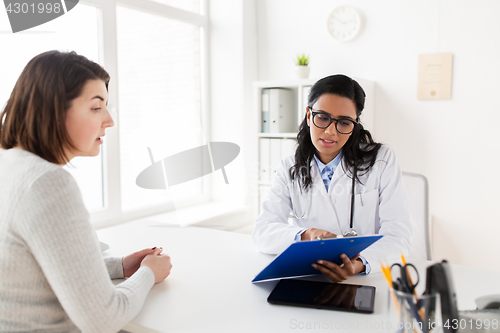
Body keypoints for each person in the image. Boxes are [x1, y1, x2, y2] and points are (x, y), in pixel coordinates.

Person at [0, 51, 172, 333]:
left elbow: (40, 269)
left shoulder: (9, 165)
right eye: (96, 107)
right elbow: (103, 320)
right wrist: (148, 273)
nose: (109, 120)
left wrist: (120, 267)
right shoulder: (47, 183)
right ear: (52, 110)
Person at [252, 74, 412, 282]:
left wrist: (360, 263)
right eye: (323, 117)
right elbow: (263, 231)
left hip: (366, 278)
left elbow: (399, 236)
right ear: (309, 115)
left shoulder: (382, 160)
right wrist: (305, 236)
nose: (330, 132)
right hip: (309, 278)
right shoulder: (289, 168)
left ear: (355, 124)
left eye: (344, 122)